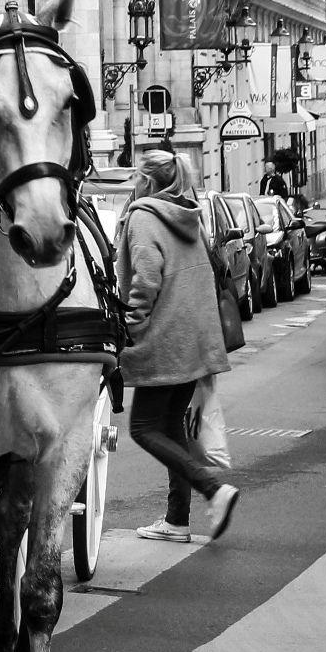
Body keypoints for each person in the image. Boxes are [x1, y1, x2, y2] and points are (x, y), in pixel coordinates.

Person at [116, 150, 239, 543]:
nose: (133, 183)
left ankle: (213, 489)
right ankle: (177, 519)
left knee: (143, 428)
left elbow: (146, 279)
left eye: (136, 177)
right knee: (170, 427)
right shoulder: (190, 215)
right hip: (194, 340)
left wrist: (130, 327)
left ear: (148, 181)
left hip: (165, 340)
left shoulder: (143, 216)